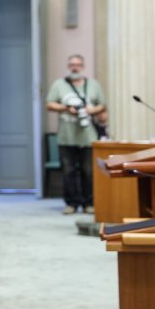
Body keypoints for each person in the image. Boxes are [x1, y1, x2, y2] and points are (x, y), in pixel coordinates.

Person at [46, 55, 106, 215]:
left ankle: (88, 203)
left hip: (88, 136)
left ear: (83, 66)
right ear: (68, 66)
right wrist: (66, 108)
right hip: (66, 136)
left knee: (88, 171)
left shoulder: (93, 85)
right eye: (72, 65)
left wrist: (92, 111)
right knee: (68, 171)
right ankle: (71, 203)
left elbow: (102, 105)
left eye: (78, 65)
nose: (75, 68)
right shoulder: (59, 84)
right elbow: (49, 104)